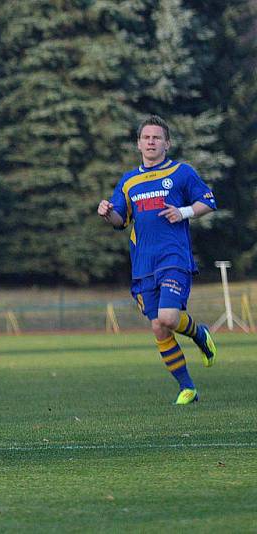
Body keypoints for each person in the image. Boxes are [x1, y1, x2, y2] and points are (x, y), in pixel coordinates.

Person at [97, 114, 218, 405]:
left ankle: (200, 334)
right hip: (143, 264)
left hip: (173, 258)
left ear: (167, 143)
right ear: (139, 144)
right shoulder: (128, 181)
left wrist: (184, 212)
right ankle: (187, 388)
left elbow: (209, 201)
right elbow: (119, 220)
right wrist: (106, 212)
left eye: (157, 138)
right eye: (146, 137)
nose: (151, 142)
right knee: (159, 327)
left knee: (168, 317)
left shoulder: (181, 172)